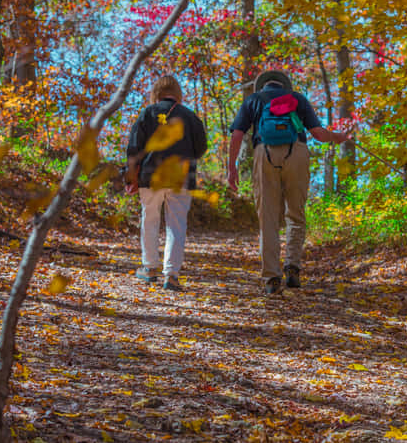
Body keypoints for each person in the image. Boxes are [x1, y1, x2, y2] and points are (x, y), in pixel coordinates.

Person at [227, 70, 350, 295]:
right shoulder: (297, 99)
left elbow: (237, 135)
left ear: (262, 85)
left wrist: (231, 167)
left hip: (264, 153)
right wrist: (337, 137)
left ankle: (272, 278)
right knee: (295, 213)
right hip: (297, 152)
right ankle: (292, 267)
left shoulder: (253, 100)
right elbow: (318, 134)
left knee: (268, 218)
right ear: (284, 85)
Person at [125, 75, 207, 291]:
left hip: (151, 176)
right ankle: (171, 275)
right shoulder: (190, 116)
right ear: (177, 93)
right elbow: (201, 148)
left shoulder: (147, 113)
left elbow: (134, 147)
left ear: (156, 93)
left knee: (149, 219)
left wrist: (130, 176)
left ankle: (149, 267)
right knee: (176, 225)